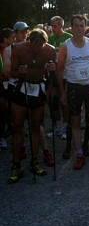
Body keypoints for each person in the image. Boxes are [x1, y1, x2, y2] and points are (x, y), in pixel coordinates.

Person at [57, 14, 89, 170]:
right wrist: (62, 92)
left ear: (85, 27)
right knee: (75, 122)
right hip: (73, 87)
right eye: (76, 26)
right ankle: (79, 154)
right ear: (71, 28)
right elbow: (59, 70)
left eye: (82, 26)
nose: (79, 29)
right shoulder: (65, 46)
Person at [8, 29, 56, 183]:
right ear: (29, 42)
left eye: (40, 45)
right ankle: (16, 165)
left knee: (35, 127)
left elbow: (52, 74)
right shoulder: (19, 49)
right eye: (34, 45)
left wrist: (52, 70)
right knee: (17, 127)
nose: (37, 48)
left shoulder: (49, 51)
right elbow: (11, 72)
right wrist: (19, 71)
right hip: (22, 89)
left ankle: (34, 161)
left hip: (38, 89)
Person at [48, 16, 72, 139]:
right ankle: (56, 125)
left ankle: (65, 126)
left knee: (65, 102)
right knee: (54, 101)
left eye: (55, 26)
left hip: (65, 75)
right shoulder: (50, 38)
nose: (52, 28)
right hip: (53, 74)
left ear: (61, 26)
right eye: (51, 26)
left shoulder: (68, 37)